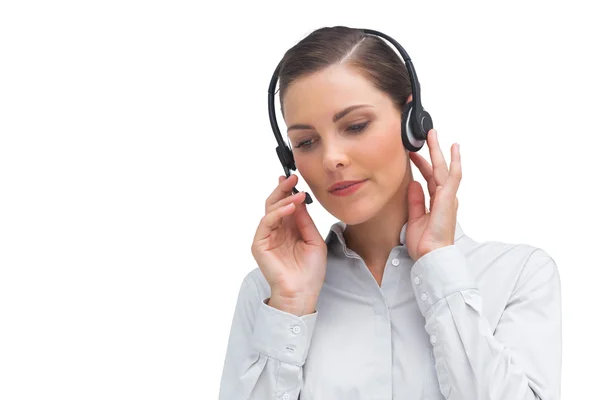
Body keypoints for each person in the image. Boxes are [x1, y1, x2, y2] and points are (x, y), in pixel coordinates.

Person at [218, 26, 561, 400]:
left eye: (356, 126)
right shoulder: (268, 293)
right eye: (306, 142)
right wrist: (291, 307)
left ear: (412, 123)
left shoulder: (518, 275)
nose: (332, 158)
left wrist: (439, 268)